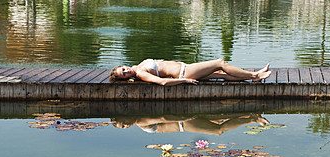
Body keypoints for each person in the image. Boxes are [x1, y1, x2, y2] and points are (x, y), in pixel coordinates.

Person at [109, 58, 271, 85]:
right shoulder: (140, 74)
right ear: (126, 78)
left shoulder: (137, 67)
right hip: (184, 73)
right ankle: (255, 75)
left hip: (186, 67)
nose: (126, 70)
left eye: (123, 68)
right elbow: (162, 82)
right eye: (124, 74)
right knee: (220, 63)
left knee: (221, 75)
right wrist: (184, 81)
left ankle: (252, 78)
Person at [112, 113, 270, 135]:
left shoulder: (141, 122)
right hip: (184, 121)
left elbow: (163, 118)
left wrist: (184, 117)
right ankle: (250, 114)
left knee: (218, 130)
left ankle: (253, 119)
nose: (126, 125)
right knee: (218, 119)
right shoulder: (139, 118)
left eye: (123, 122)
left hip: (184, 124)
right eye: (123, 126)